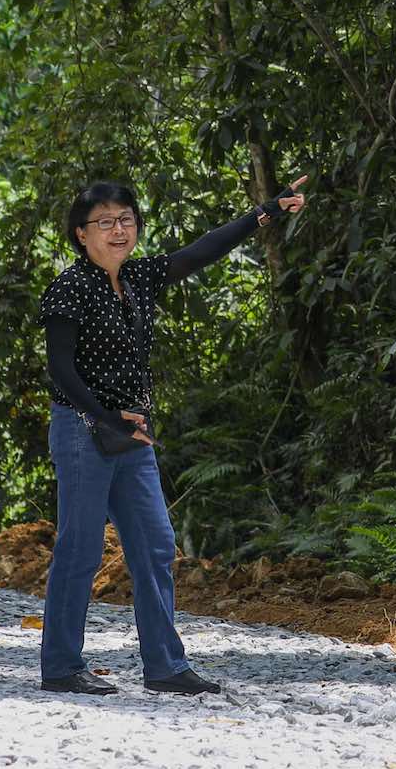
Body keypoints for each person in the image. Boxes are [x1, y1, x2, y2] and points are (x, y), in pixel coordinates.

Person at [37, 176, 306, 694]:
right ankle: (61, 666)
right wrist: (105, 416)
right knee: (80, 549)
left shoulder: (138, 280)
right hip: (81, 427)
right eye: (106, 222)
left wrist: (264, 212)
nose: (119, 231)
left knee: (156, 545)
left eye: (127, 220)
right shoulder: (69, 288)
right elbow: (61, 370)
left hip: (132, 433)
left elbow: (202, 250)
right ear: (80, 234)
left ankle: (164, 666)